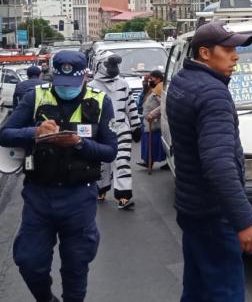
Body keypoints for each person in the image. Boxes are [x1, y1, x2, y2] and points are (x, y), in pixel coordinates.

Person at [0, 50, 118, 302]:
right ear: (52, 76)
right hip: (39, 196)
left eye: (72, 83)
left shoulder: (100, 102)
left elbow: (110, 152)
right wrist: (35, 132)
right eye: (61, 83)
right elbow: (5, 134)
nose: (66, 89)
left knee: (76, 265)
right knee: (29, 260)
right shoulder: (35, 96)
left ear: (84, 77)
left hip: (79, 197)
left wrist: (79, 143)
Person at [166, 22, 252, 301]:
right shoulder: (212, 93)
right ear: (205, 53)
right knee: (225, 292)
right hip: (213, 212)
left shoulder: (182, 81)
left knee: (197, 288)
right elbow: (219, 164)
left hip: (190, 205)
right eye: (228, 50)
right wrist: (244, 221)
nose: (235, 57)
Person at [89, 51, 142, 209]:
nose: (113, 68)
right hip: (101, 131)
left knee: (122, 162)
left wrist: (135, 126)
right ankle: (100, 189)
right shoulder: (91, 87)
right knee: (102, 163)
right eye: (109, 64)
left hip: (121, 128)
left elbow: (130, 106)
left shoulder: (123, 84)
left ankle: (123, 195)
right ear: (100, 65)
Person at [138, 69, 166, 168]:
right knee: (149, 142)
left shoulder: (160, 88)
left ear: (158, 79)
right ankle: (148, 161)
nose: (150, 80)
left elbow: (163, 104)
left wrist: (153, 114)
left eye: (152, 78)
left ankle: (150, 161)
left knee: (153, 143)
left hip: (154, 122)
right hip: (149, 121)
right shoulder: (155, 87)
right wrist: (145, 83)